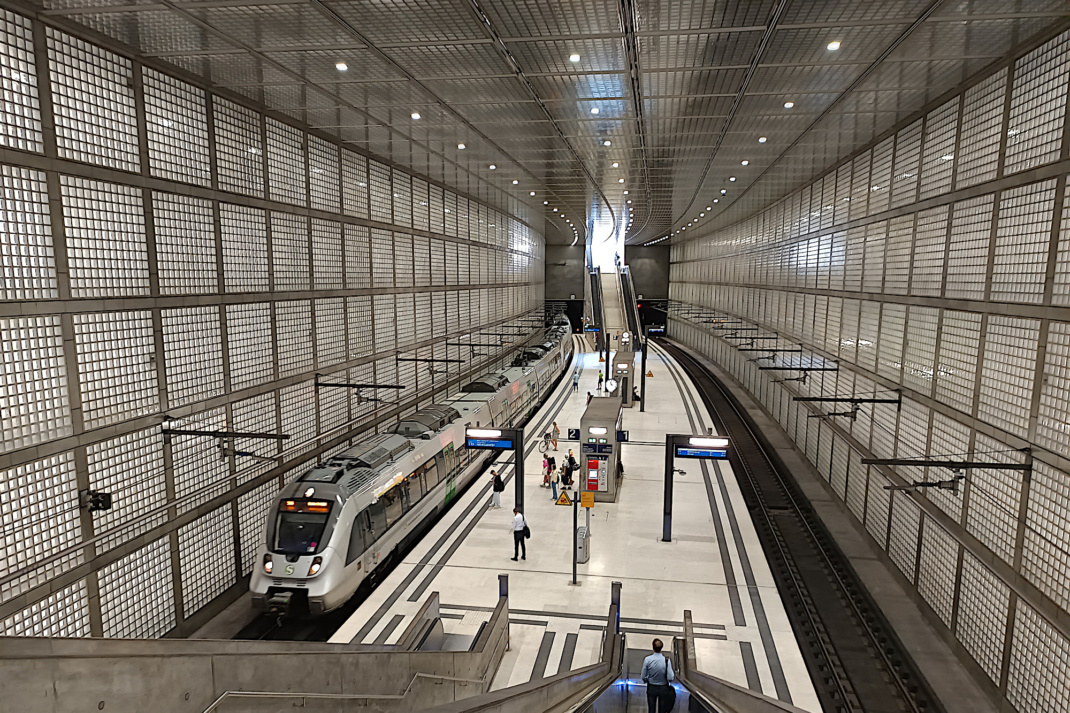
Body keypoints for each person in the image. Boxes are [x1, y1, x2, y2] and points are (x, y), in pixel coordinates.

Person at [641, 639, 675, 712]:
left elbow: (643, 676)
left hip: (651, 687)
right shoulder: (666, 660)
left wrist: (648, 679)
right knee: (662, 710)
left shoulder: (647, 659)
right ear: (661, 648)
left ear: (653, 647)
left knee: (651, 710)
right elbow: (670, 677)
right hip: (663, 688)